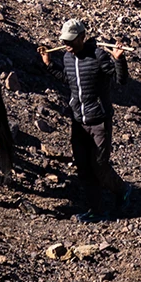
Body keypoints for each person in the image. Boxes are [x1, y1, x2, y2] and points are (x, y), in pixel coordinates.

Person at [45, 19, 130, 219]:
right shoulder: (67, 57)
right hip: (78, 121)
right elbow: (69, 80)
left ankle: (122, 190)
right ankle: (96, 210)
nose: (66, 44)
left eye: (71, 40)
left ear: (82, 37)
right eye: (64, 40)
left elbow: (121, 80)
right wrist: (49, 66)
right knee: (83, 167)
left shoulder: (98, 56)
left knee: (99, 165)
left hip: (99, 120)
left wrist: (119, 60)